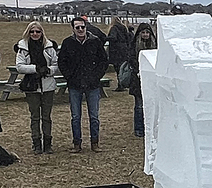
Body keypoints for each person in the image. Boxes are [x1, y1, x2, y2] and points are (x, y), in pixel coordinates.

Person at [57, 17, 109, 152]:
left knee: (94, 116)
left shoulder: (95, 42)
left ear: (86, 27)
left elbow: (103, 61)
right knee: (75, 116)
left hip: (92, 85)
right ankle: (77, 143)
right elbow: (62, 62)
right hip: (75, 85)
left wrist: (96, 76)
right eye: (77, 27)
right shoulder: (68, 43)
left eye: (82, 27)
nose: (80, 29)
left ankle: (95, 142)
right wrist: (69, 77)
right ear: (73, 29)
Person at [13, 21, 58, 153]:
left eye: (37, 31)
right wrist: (35, 69)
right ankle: (36, 143)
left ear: (42, 32)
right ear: (28, 32)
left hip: (47, 85)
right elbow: (19, 66)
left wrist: (48, 70)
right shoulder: (23, 48)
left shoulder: (49, 47)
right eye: (32, 31)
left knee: (46, 116)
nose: (35, 34)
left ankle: (48, 143)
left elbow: (56, 64)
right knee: (34, 116)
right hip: (31, 86)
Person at [129, 23, 156, 138]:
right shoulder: (134, 46)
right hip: (138, 78)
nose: (145, 35)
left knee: (151, 105)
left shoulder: (155, 45)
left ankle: (150, 126)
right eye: (143, 33)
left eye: (147, 33)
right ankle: (139, 128)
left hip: (152, 79)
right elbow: (131, 59)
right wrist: (139, 70)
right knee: (139, 105)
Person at [106, 20, 132, 87]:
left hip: (116, 50)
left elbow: (113, 37)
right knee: (123, 67)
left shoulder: (114, 28)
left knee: (117, 67)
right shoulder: (124, 28)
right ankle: (124, 82)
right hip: (124, 49)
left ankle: (120, 84)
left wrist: (105, 38)